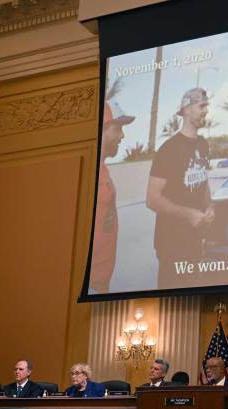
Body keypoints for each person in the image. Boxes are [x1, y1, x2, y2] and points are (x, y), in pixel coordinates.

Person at [147, 88, 214, 288]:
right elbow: (152, 199)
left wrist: (209, 207)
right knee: (174, 307)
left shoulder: (203, 145)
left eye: (206, 106)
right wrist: (189, 215)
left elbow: (204, 183)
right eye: (201, 106)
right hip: (171, 245)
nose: (206, 111)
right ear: (186, 109)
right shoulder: (168, 150)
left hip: (195, 243)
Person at [89, 99, 135, 293]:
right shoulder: (88, 173)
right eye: (118, 128)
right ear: (103, 128)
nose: (122, 135)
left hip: (99, 286)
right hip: (88, 284)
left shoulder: (103, 170)